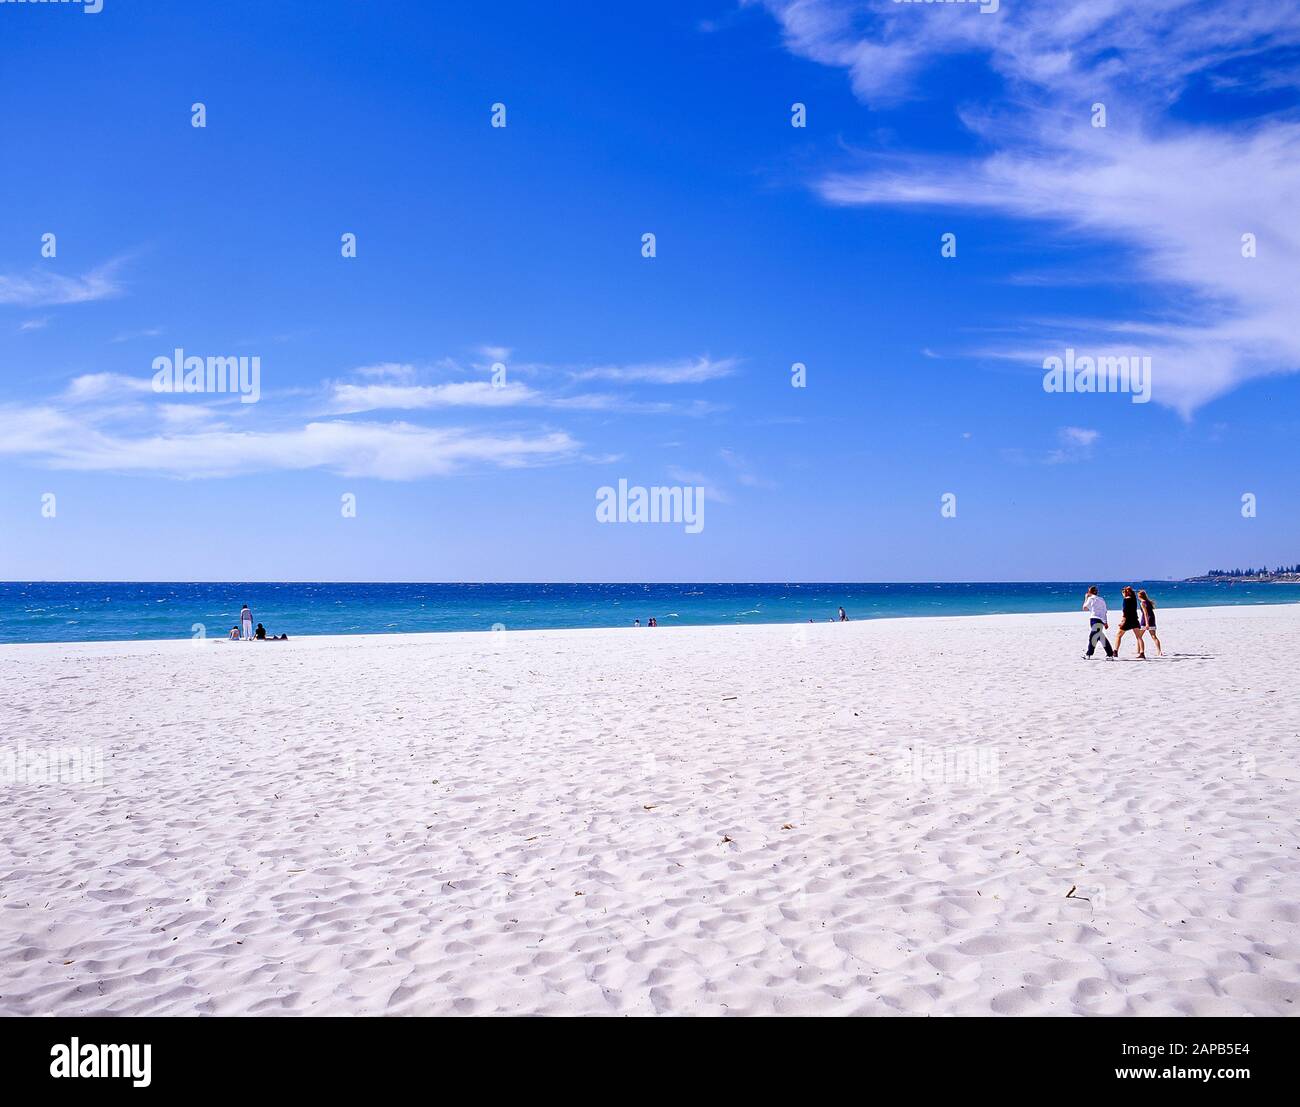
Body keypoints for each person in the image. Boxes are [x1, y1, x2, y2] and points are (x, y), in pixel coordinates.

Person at [1082, 586, 1114, 659]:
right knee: (1099, 636)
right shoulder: (1101, 599)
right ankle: (1109, 654)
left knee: (1094, 636)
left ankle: (1089, 654)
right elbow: (1104, 611)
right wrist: (1105, 622)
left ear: (1089, 592)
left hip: (1094, 619)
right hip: (1101, 620)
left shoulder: (1090, 599)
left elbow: (1084, 608)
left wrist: (1086, 598)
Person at [1114, 586, 1145, 658]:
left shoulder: (1126, 600)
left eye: (1123, 592)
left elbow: (1125, 611)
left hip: (1127, 620)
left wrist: (1122, 621)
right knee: (1139, 637)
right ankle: (1142, 653)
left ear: (1126, 593)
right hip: (1134, 619)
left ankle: (1115, 651)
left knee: (1118, 635)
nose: (1123, 594)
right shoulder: (1134, 599)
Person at [1137, 589, 1162, 656]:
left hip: (1145, 620)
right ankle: (1159, 651)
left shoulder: (1142, 603)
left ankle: (1139, 651)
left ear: (1139, 596)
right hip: (1152, 618)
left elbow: (1145, 613)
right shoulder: (1148, 602)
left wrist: (1147, 624)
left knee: (1139, 636)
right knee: (1154, 636)